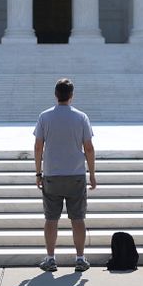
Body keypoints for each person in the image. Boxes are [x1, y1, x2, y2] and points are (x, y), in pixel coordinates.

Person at [34, 78, 96, 272]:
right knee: (77, 219)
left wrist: (38, 172)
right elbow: (89, 148)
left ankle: (51, 259)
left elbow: (38, 146)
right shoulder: (81, 117)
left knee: (51, 219)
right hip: (76, 174)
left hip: (52, 174)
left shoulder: (44, 117)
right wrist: (92, 173)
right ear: (72, 95)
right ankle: (80, 258)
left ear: (55, 95)